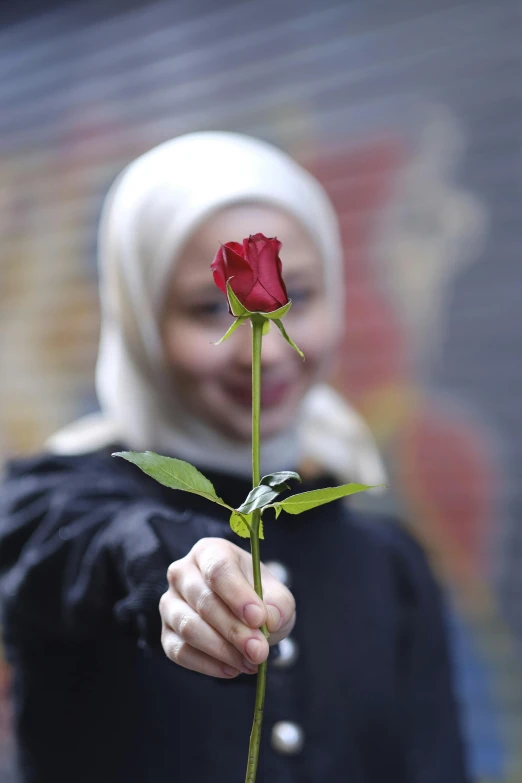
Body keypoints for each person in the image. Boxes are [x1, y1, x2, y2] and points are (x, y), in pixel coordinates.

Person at [0, 132, 469, 782]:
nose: (266, 348)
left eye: (297, 294)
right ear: (138, 320)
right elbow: (96, 544)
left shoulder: (389, 561)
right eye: (202, 307)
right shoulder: (49, 504)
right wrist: (182, 565)